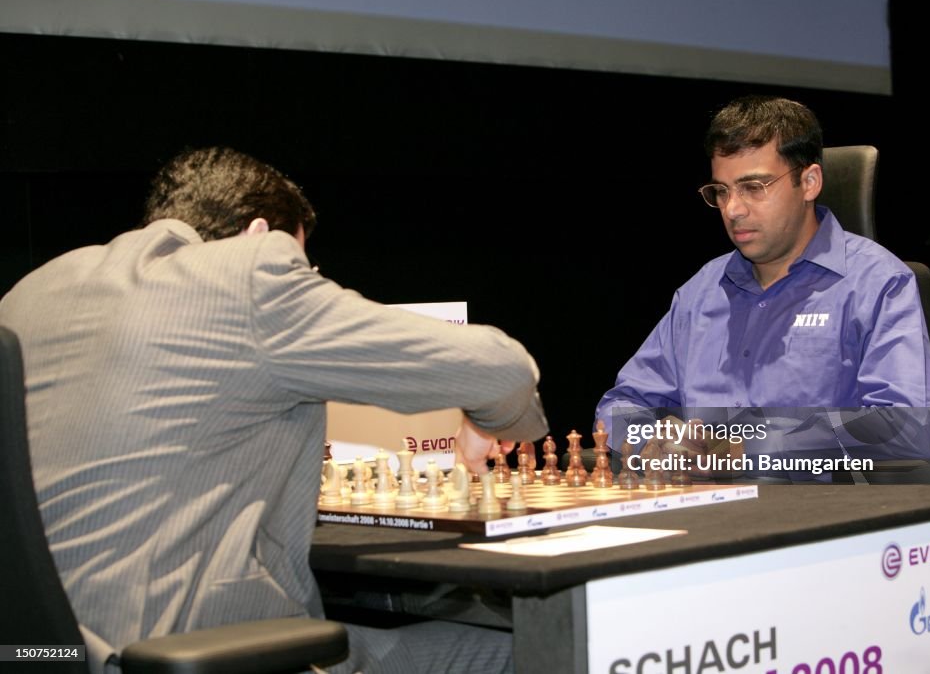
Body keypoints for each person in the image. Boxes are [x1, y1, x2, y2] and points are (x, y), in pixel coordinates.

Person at [0, 147, 548, 673]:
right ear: (259, 233)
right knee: (528, 651)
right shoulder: (245, 276)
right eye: (305, 266)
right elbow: (503, 369)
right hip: (187, 646)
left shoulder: (34, 290)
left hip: (48, 654)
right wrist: (488, 424)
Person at [596, 96, 930, 479]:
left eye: (753, 187)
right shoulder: (700, 292)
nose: (732, 209)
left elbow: (908, 428)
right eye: (721, 191)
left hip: (815, 512)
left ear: (808, 182)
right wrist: (653, 442)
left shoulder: (878, 283)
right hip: (696, 507)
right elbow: (621, 404)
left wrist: (751, 447)